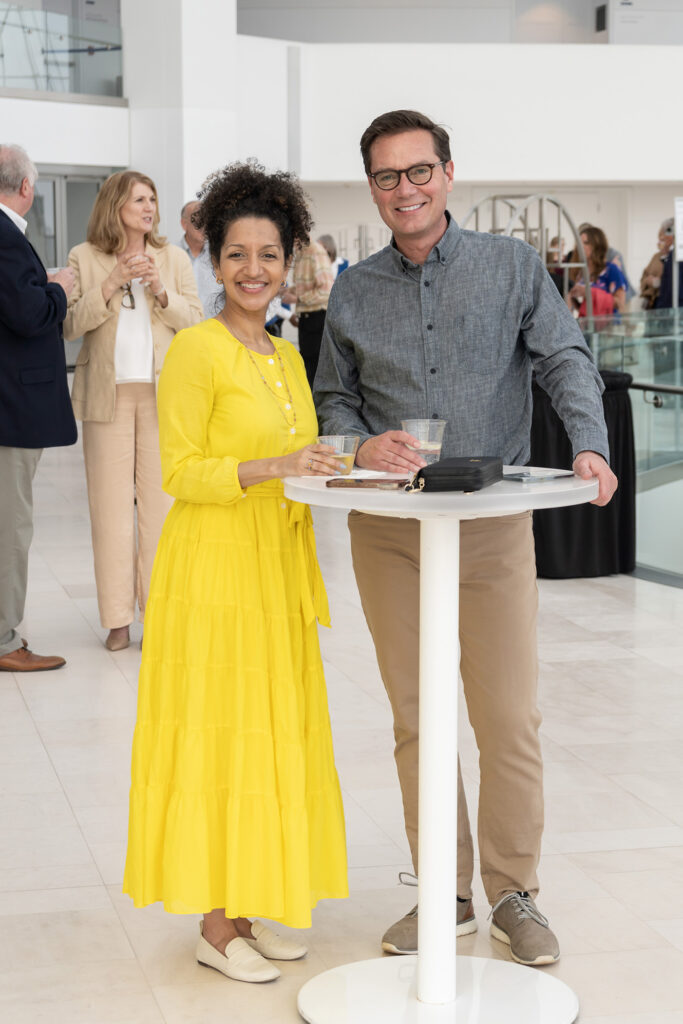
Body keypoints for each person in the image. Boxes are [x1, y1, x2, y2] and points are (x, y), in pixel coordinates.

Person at [315, 109, 617, 968]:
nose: (404, 190)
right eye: (386, 177)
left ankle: (513, 891)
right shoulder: (352, 288)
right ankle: (443, 894)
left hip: (488, 526)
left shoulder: (509, 265)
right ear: (370, 188)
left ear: (448, 173)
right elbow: (333, 399)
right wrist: (362, 442)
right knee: (418, 718)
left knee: (507, 716)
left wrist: (587, 440)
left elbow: (562, 356)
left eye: (418, 172)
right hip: (391, 527)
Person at [123, 160, 348, 984]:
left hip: (275, 569)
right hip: (213, 573)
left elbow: (295, 457)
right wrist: (271, 465)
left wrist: (327, 468)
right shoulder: (196, 351)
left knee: (267, 737)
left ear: (289, 261)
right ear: (213, 261)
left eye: (269, 255)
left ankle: (247, 907)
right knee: (221, 736)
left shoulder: (286, 355)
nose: (254, 270)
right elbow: (180, 472)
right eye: (236, 255)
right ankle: (216, 929)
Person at [64, 172, 203, 651]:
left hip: (163, 397)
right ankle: (117, 619)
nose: (148, 207)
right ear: (115, 205)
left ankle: (161, 614)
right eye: (139, 199)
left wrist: (161, 289)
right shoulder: (85, 257)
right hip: (107, 399)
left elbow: (196, 323)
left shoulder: (174, 257)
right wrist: (113, 282)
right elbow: (69, 324)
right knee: (110, 512)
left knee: (162, 512)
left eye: (153, 199)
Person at [0, 144, 77, 672]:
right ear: (26, 187)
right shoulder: (6, 237)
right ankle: (6, 642)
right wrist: (57, 288)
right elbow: (28, 314)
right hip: (12, 404)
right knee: (12, 527)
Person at [282, 238, 333, 387]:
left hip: (317, 318)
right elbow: (305, 286)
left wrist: (297, 298)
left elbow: (327, 290)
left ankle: (316, 409)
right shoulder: (299, 253)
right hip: (306, 320)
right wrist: (287, 291)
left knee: (314, 371)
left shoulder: (315, 251)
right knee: (307, 369)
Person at [567, 225, 627, 314]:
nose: (581, 246)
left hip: (609, 326)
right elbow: (585, 308)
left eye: (586, 243)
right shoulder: (580, 273)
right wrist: (572, 299)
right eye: (579, 243)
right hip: (587, 325)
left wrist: (588, 292)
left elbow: (620, 304)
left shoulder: (611, 270)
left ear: (597, 246)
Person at [179, 199, 224, 317]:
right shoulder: (171, 255)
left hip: (216, 329)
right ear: (184, 224)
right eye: (196, 218)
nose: (202, 224)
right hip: (182, 330)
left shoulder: (220, 254)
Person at [640, 218, 674, 309]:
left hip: (671, 303)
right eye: (660, 235)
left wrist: (659, 282)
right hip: (655, 303)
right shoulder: (656, 257)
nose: (662, 238)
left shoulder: (676, 258)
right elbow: (644, 276)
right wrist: (648, 281)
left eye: (665, 234)